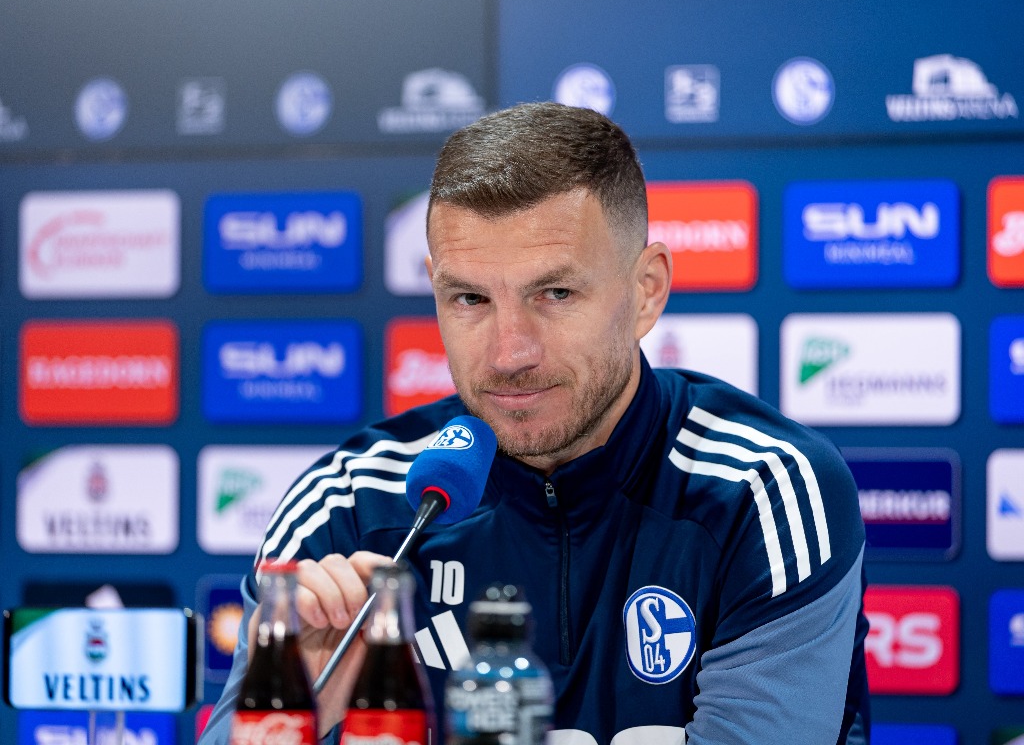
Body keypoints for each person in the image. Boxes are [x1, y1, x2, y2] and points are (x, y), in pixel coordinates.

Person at [199, 101, 870, 745]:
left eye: (555, 293)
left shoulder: (763, 492)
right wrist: (289, 713)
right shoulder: (347, 507)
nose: (509, 353)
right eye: (470, 298)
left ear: (646, 291)